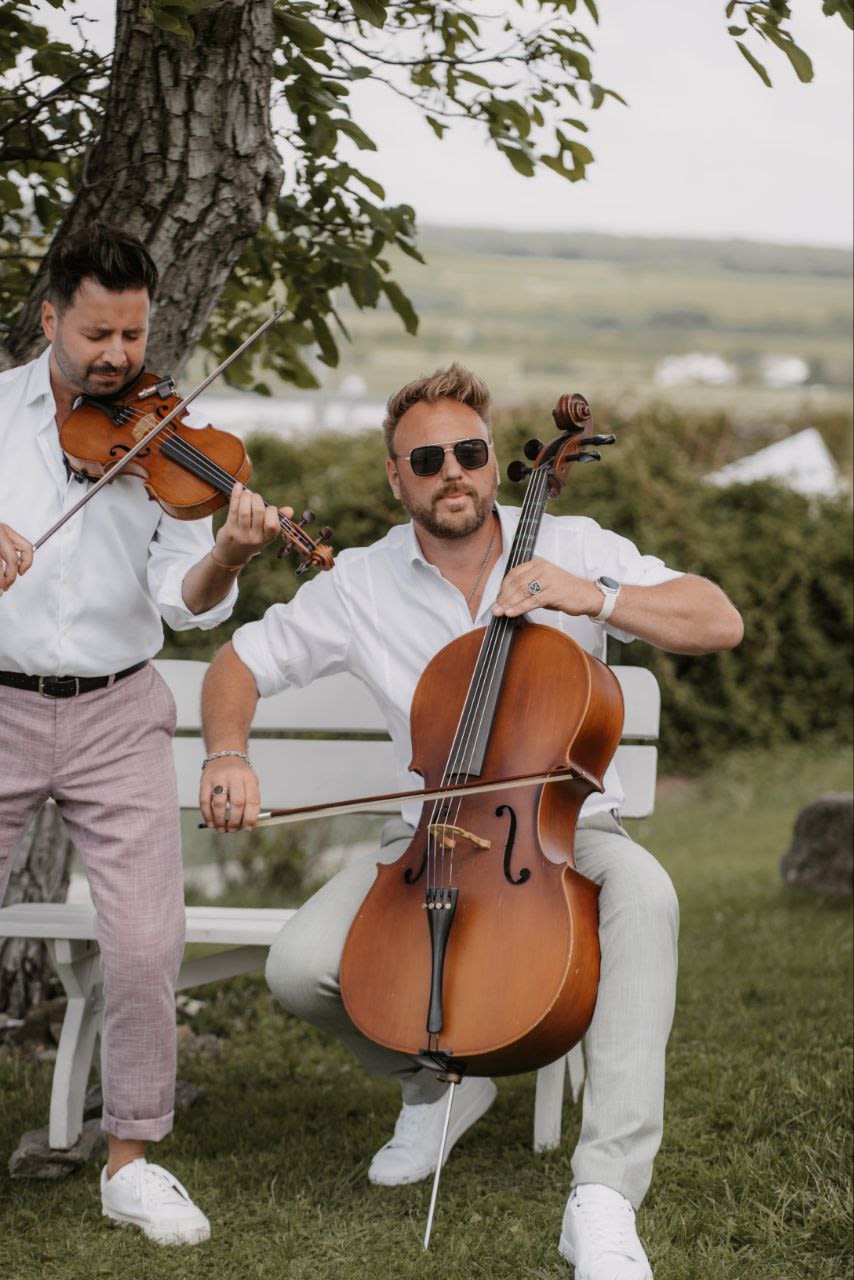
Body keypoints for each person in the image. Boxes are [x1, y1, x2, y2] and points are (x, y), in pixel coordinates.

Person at [199, 364, 743, 1278]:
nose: (451, 470)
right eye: (427, 459)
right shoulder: (360, 582)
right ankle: (434, 1088)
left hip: (564, 831)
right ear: (396, 477)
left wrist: (596, 598)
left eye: (469, 451)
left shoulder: (572, 542)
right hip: (427, 832)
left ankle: (604, 1196)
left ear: (495, 461)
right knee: (299, 969)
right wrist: (226, 753)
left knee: (647, 896)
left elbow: (718, 620)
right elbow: (237, 663)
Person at [0, 222, 287, 1246]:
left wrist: (231, 557)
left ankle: (130, 1160)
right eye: (97, 334)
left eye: (133, 333)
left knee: (145, 939)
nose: (119, 356)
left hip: (118, 705)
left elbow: (184, 597)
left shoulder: (172, 437)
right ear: (50, 319)